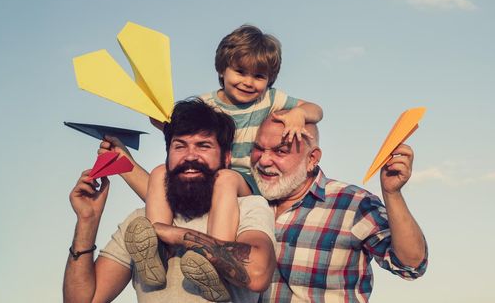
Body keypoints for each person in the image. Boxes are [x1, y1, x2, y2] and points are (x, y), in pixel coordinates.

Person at [63, 99, 276, 302]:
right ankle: (159, 257)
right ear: (168, 154)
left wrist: (178, 235)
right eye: (180, 146)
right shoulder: (140, 224)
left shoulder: (247, 209)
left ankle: (215, 276)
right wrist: (87, 221)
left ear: (226, 157)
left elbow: (257, 274)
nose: (190, 156)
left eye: (203, 146)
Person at [144, 25, 324, 246]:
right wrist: (157, 116)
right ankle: (154, 243)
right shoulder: (205, 104)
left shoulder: (269, 99)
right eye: (240, 72)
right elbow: (178, 130)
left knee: (226, 178)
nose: (248, 82)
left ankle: (218, 253)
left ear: (269, 80)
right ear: (222, 69)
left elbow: (317, 110)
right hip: (208, 175)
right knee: (160, 172)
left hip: (247, 180)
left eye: (259, 76)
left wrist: (299, 113)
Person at [250, 112, 428, 302]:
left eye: (280, 151)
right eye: (258, 149)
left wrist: (392, 194)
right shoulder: (246, 201)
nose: (263, 160)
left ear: (312, 159)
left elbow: (411, 265)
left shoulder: (354, 204)